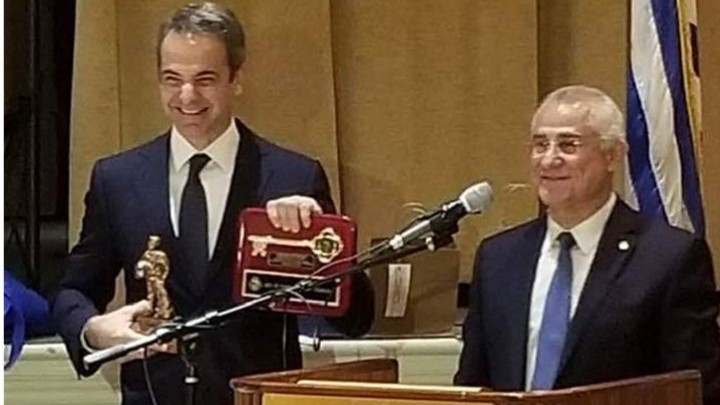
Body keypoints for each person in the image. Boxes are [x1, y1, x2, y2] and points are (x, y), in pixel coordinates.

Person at [51, 3, 372, 404]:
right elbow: (73, 291)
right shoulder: (117, 179)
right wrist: (94, 331)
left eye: (205, 79)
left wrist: (321, 244)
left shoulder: (293, 177)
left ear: (236, 79)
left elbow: (357, 318)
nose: (187, 96)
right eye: (172, 79)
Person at [454, 85, 720, 405]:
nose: (549, 160)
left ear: (613, 155)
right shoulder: (498, 258)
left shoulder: (669, 258)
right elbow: (472, 387)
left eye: (568, 145)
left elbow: (695, 389)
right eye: (540, 145)